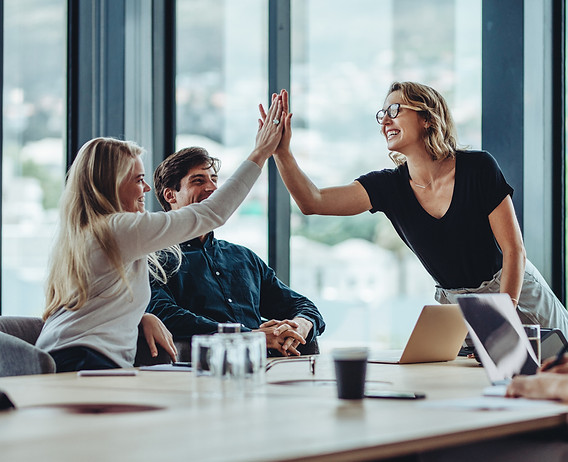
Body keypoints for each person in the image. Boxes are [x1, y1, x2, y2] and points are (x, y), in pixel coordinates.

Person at [264, 83, 568, 338]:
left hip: (516, 293)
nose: (385, 120)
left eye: (395, 110)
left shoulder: (479, 168)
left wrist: (503, 314)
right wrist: (282, 152)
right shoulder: (388, 188)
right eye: (382, 114)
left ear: (427, 118)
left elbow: (514, 250)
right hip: (461, 311)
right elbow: (312, 201)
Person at [34, 94, 285, 372]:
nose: (147, 189)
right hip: (83, 361)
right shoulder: (116, 229)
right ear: (112, 184)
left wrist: (142, 316)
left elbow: (97, 302)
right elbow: (212, 213)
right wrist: (260, 153)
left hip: (65, 355)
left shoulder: (88, 231)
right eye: (138, 179)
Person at [147, 147, 325, 357]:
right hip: (201, 371)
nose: (212, 188)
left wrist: (300, 325)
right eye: (198, 181)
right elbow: (164, 314)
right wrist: (248, 336)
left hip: (267, 370)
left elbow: (302, 305)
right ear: (170, 195)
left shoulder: (243, 257)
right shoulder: (154, 259)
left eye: (214, 179)